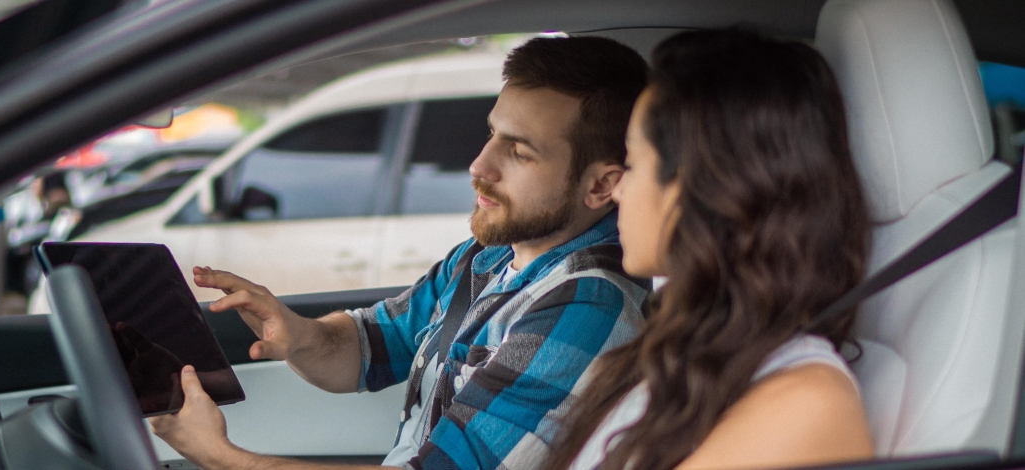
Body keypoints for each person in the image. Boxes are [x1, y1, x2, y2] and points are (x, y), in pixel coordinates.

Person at [151, 36, 653, 470]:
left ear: (602, 185)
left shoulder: (586, 308)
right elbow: (374, 347)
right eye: (492, 134)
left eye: (519, 153)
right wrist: (299, 335)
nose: (480, 165)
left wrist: (220, 457)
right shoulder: (485, 259)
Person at [544, 29, 875, 470]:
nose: (618, 190)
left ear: (701, 190)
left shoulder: (803, 401)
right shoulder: (680, 356)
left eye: (633, 162)